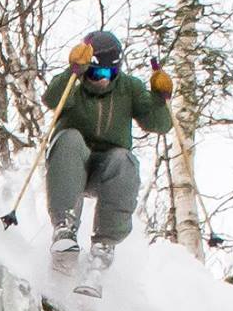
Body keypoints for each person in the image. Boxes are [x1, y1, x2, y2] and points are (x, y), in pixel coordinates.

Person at [41, 30, 173, 292]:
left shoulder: (129, 88)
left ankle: (103, 248)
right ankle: (65, 230)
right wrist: (73, 71)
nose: (102, 80)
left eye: (108, 75)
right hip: (72, 164)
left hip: (108, 171)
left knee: (125, 160)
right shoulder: (74, 87)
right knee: (69, 138)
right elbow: (51, 99)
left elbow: (160, 124)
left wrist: (161, 100)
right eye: (96, 74)